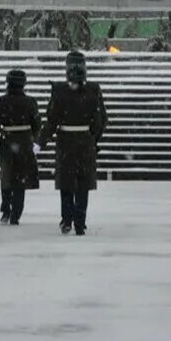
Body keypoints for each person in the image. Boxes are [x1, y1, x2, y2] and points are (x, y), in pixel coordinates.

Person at [40, 59, 106, 235]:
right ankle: (80, 222)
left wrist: (41, 141)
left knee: (66, 184)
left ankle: (67, 219)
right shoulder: (92, 94)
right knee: (82, 185)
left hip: (66, 142)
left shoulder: (60, 94)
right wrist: (93, 139)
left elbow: (51, 120)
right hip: (85, 142)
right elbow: (100, 122)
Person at [0, 69, 41, 225]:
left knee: (7, 175)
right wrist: (36, 141)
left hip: (6, 139)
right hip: (24, 140)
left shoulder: (1, 101)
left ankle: (6, 209)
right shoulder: (30, 102)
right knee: (20, 178)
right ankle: (16, 213)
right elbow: (37, 125)